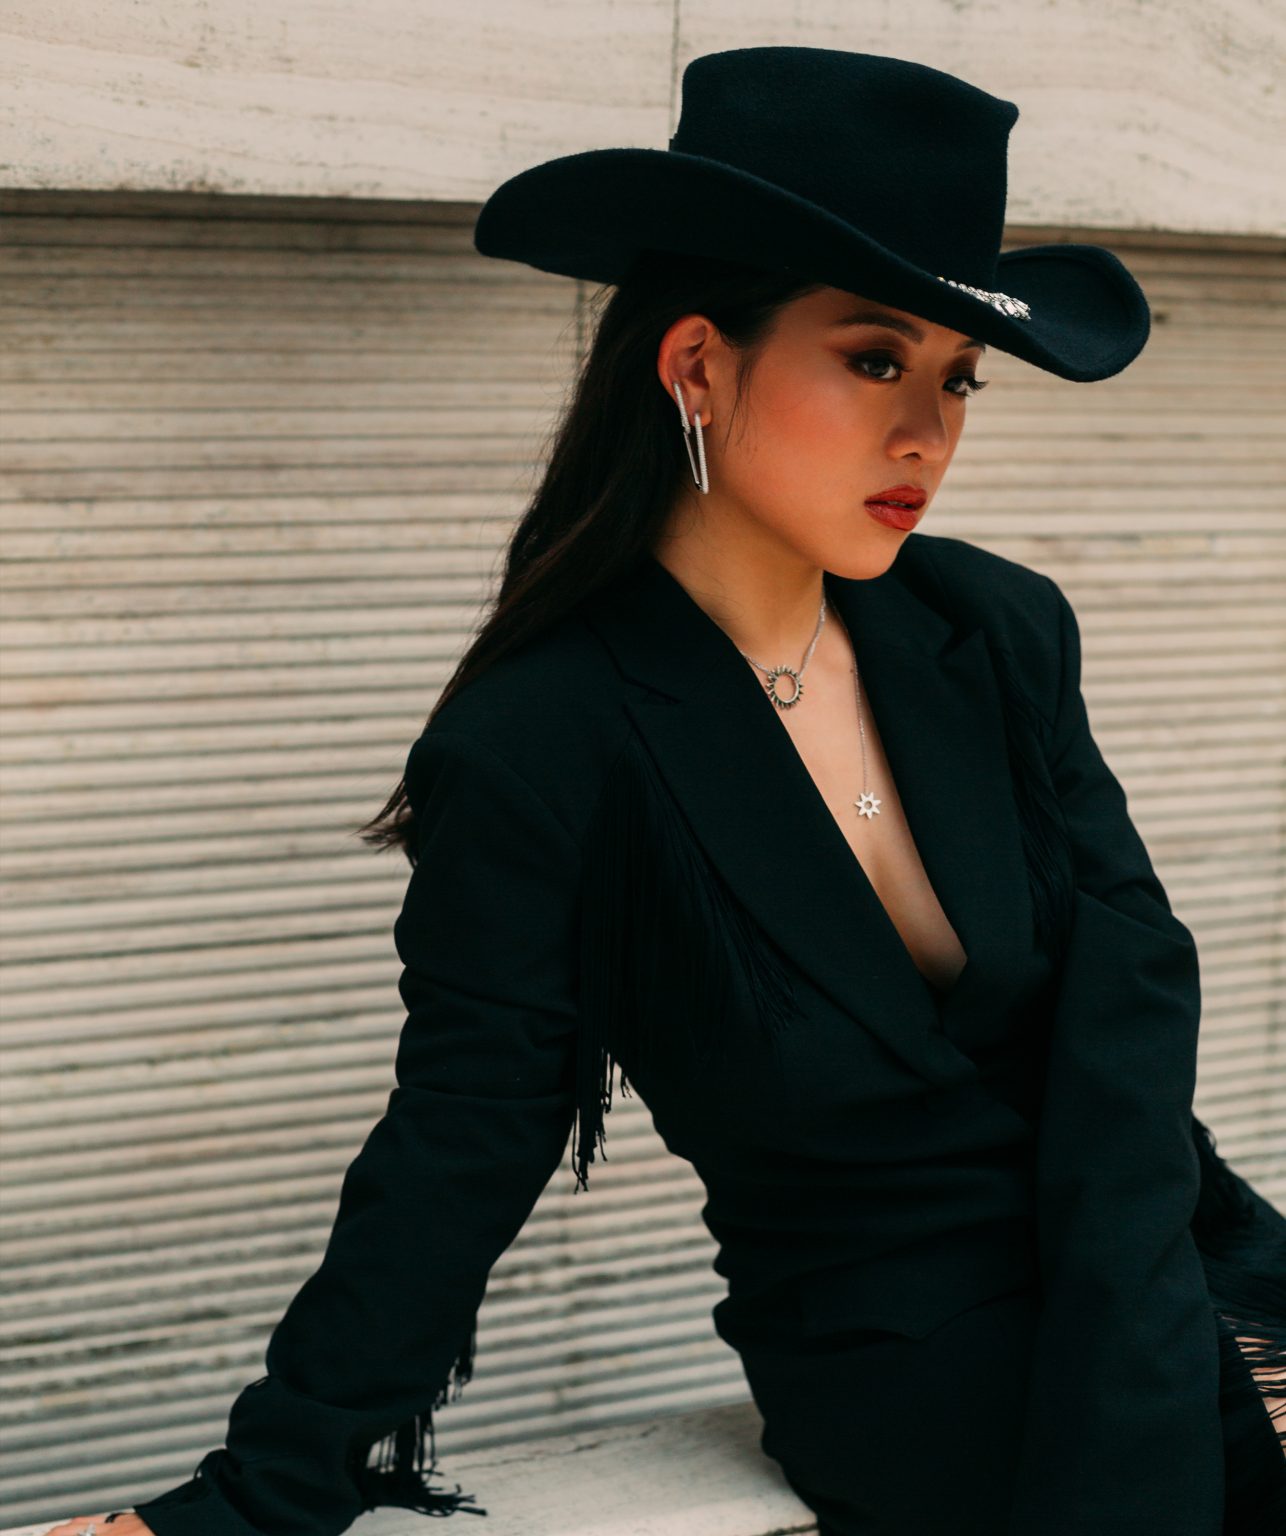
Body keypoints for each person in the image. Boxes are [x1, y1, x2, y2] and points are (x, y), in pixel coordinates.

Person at [43, 45, 1285, 1536]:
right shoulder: (545, 742)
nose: (928, 432)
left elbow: (1130, 998)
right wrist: (260, 1492)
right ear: (696, 363)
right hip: (915, 1356)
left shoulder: (992, 627)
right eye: (874, 359)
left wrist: (1146, 1302)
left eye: (958, 377)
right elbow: (464, 1139)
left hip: (1155, 1251)